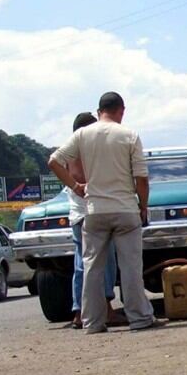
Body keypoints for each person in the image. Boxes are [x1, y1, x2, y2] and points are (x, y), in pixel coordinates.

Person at [48, 92, 160, 333]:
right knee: (130, 266)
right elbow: (142, 177)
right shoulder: (129, 135)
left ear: (99, 111)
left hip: (94, 210)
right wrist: (143, 206)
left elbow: (53, 161)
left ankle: (92, 322)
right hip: (125, 209)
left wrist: (75, 186)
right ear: (121, 110)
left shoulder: (82, 134)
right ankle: (140, 318)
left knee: (92, 268)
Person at [64, 112, 123, 330]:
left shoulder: (74, 149)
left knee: (83, 263)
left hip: (81, 215)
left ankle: (80, 311)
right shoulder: (78, 152)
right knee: (101, 264)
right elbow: (81, 179)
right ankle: (104, 310)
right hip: (89, 214)